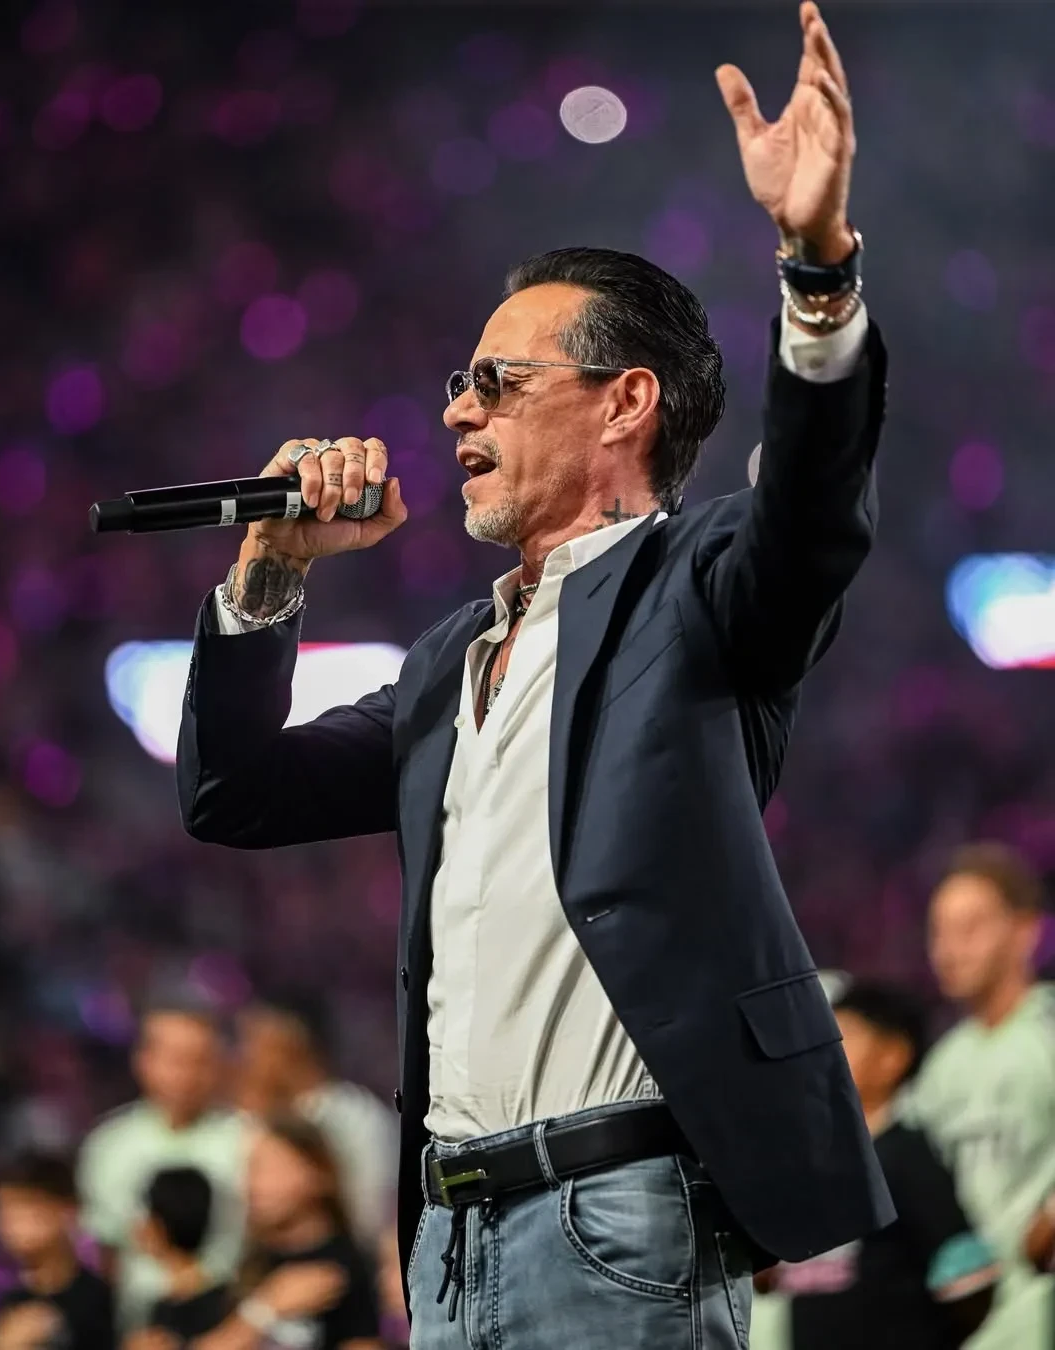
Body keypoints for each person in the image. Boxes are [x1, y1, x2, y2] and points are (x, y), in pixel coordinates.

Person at [176, 4, 893, 1345]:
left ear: (625, 401)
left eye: (498, 382)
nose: (456, 408)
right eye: (461, 383)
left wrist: (817, 268)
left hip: (620, 1216)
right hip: (449, 1233)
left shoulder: (698, 584)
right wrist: (271, 568)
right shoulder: (449, 657)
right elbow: (235, 793)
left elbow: (813, 502)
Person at [752, 981, 999, 1350]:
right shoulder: (813, 1165)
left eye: (843, 1036)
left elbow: (972, 1280)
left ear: (892, 1057)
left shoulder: (907, 1157)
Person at [908, 842, 1055, 1349]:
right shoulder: (940, 1066)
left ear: (1026, 931)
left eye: (970, 928)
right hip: (968, 1327)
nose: (949, 949)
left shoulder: (1047, 1030)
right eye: (938, 931)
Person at [77, 1002, 247, 1333]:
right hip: (138, 1327)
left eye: (200, 1060)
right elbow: (103, 1252)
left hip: (231, 1324)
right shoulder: (109, 1145)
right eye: (174, 1059)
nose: (186, 1075)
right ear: (143, 1061)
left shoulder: (249, 1140)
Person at [193, 1111, 381, 1350]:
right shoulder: (249, 1264)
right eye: (250, 1171)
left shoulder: (350, 1268)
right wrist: (264, 1310)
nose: (253, 1185)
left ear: (318, 1173)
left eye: (270, 1169)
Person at [236, 993, 398, 1252]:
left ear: (290, 1047)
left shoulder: (355, 1116)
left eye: (255, 1043)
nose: (245, 1057)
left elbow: (370, 1214)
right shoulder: (250, 1116)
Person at [0, 1152, 115, 1350]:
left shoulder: (99, 1299)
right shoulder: (4, 1296)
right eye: (1, 1210)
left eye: (24, 1207)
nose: (9, 1224)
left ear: (68, 1211)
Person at [128, 1167, 234, 1345]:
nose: (136, 1226)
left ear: (160, 1225)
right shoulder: (164, 1301)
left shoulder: (221, 1306)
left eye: (146, 1216)